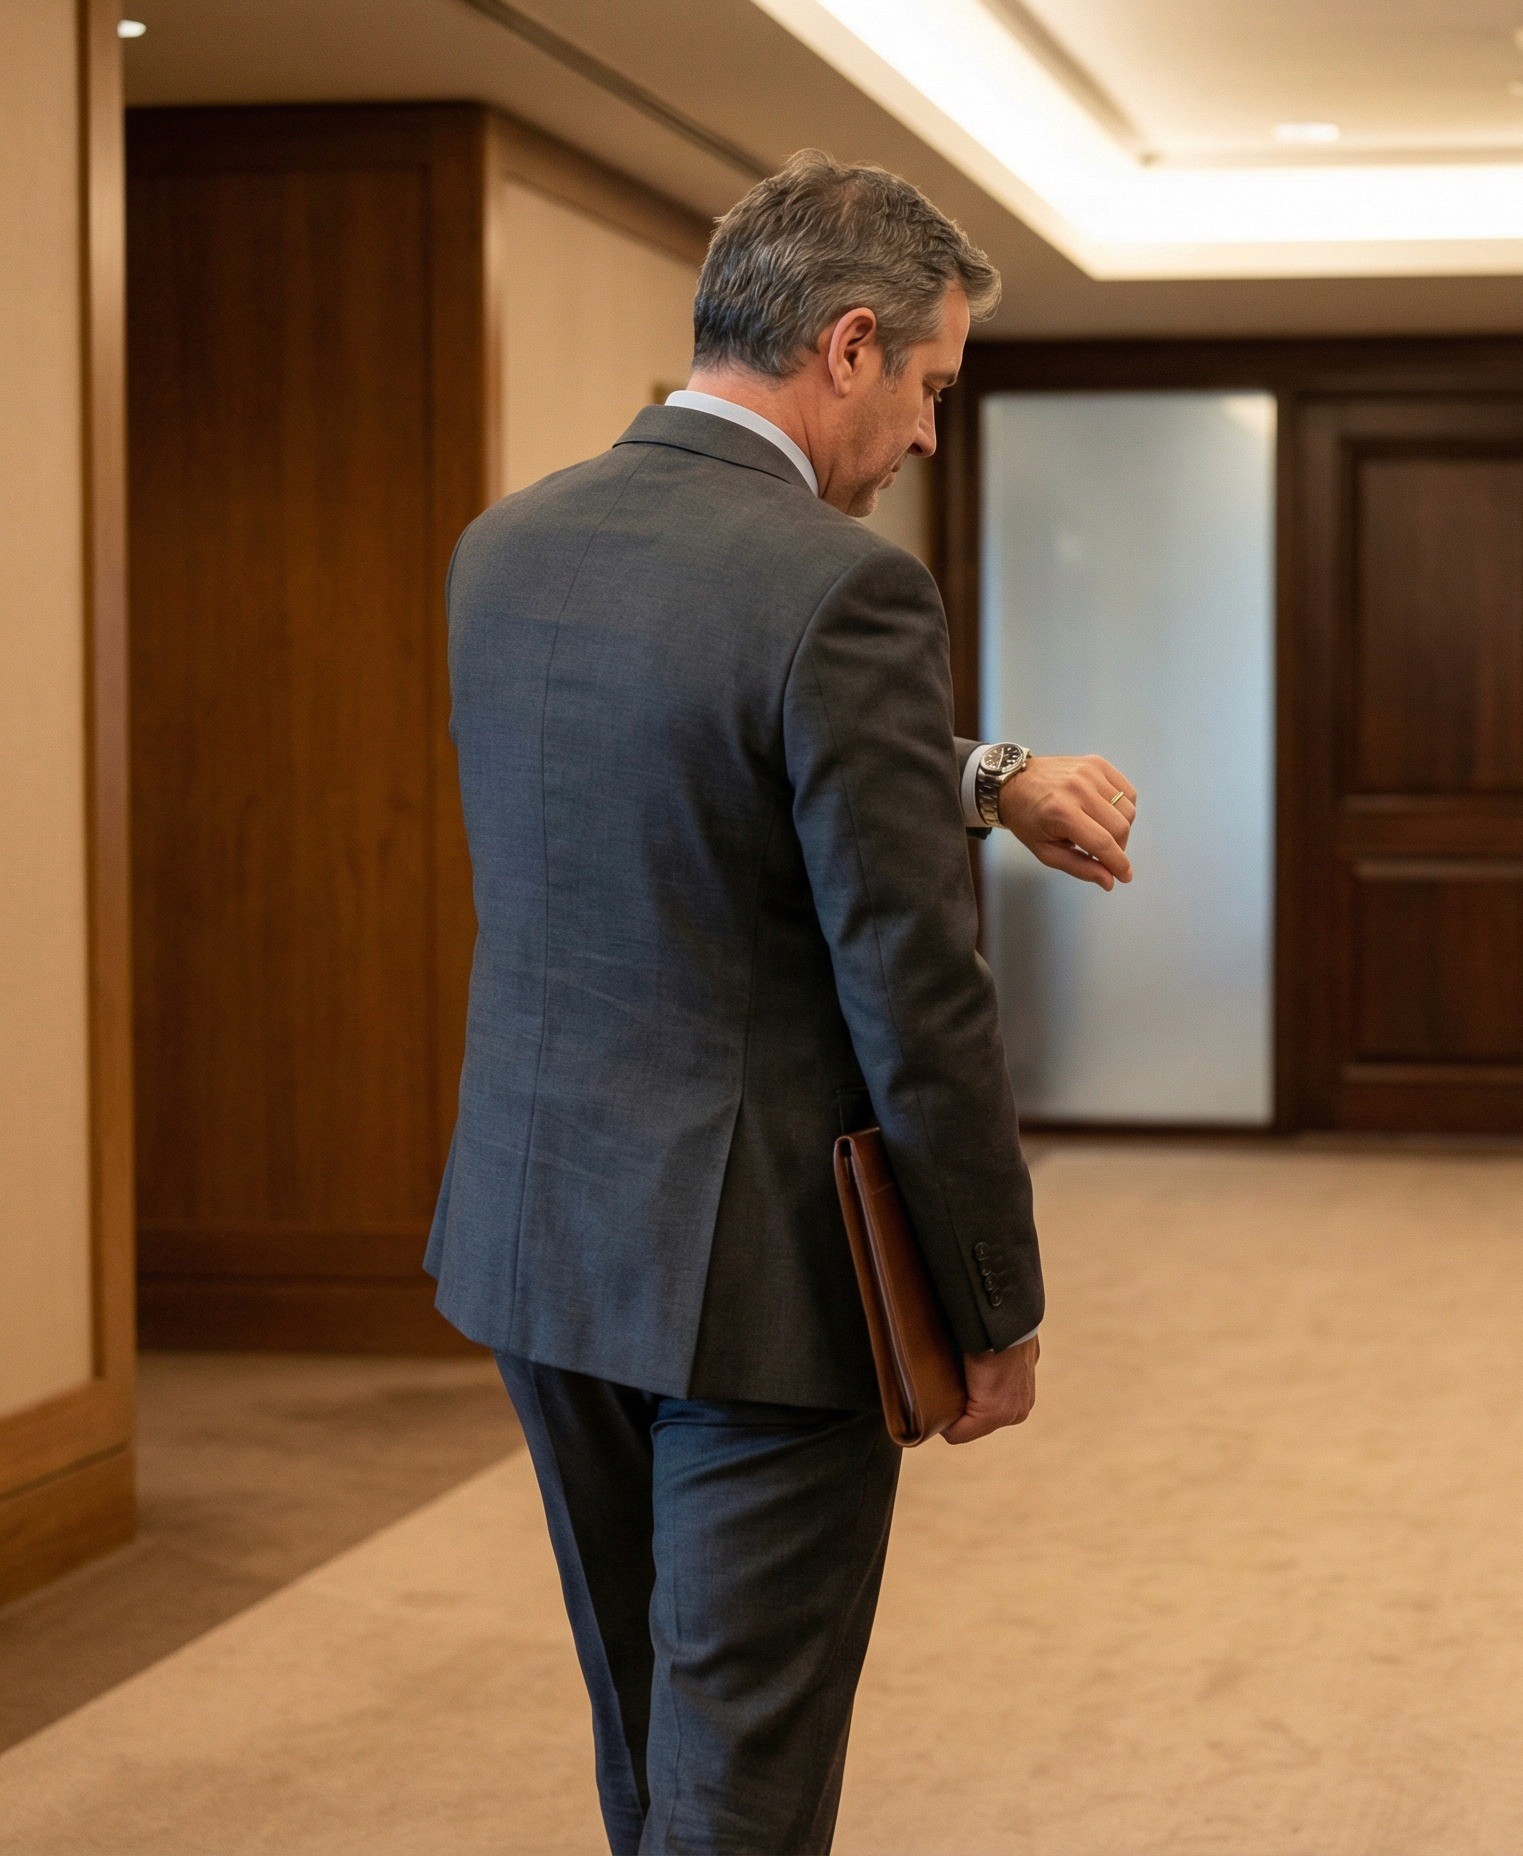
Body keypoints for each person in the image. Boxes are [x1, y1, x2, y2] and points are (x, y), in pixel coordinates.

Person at [424, 149, 1134, 1855]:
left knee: (653, 1722)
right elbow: (918, 990)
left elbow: (693, 746)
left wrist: (985, 771)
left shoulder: (507, 547)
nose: (927, 438)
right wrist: (994, 1301)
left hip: (542, 1238)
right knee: (743, 1767)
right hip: (754, 1281)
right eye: (933, 388)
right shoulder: (846, 583)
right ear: (851, 344)